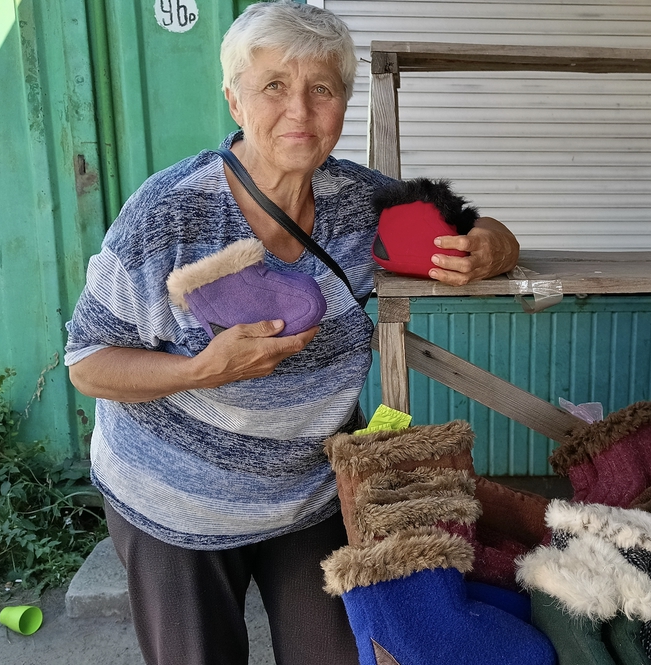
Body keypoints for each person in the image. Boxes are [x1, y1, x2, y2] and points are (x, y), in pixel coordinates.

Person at [64, 2, 519, 664]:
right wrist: (200, 370)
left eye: (321, 89)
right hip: (176, 508)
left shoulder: (366, 203)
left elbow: (486, 231)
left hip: (307, 501)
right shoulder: (167, 216)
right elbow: (86, 362)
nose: (300, 112)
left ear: (342, 103)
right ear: (234, 98)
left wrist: (489, 250)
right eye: (274, 85)